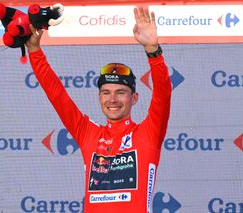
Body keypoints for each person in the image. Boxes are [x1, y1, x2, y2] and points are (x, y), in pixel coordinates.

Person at [26, 7, 171, 213]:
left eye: (121, 92)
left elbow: (163, 95)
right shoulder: (89, 133)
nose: (112, 99)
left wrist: (153, 51)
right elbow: (57, 95)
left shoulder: (149, 133)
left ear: (134, 98)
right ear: (99, 97)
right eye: (106, 92)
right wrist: (34, 51)